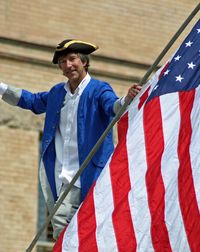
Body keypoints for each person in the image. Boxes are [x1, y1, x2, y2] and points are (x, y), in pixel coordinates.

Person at [0, 39, 141, 240]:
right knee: (69, 233)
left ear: (84, 62)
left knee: (69, 230)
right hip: (60, 177)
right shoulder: (58, 93)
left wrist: (126, 100)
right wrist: (1, 87)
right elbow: (31, 100)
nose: (68, 65)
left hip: (89, 175)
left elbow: (113, 107)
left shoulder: (99, 89)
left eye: (72, 59)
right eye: (63, 62)